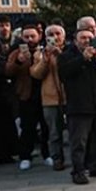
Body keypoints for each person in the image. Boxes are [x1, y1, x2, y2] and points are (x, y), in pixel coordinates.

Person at [58, 27, 96, 184]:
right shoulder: (66, 56)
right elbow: (65, 73)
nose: (86, 41)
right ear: (76, 40)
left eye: (89, 38)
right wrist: (82, 59)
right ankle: (78, 170)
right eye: (83, 38)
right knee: (79, 141)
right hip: (80, 106)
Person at [5, 26, 49, 171]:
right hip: (26, 95)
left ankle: (47, 154)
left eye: (32, 36)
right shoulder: (16, 52)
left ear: (39, 36)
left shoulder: (45, 50)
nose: (30, 39)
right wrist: (18, 61)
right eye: (26, 37)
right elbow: (7, 71)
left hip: (45, 93)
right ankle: (25, 156)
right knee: (27, 127)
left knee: (46, 126)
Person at [31, 24, 69, 171]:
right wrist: (45, 59)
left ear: (63, 36)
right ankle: (57, 158)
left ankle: (78, 158)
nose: (55, 37)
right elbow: (36, 74)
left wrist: (60, 55)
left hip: (70, 96)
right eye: (51, 34)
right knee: (54, 133)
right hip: (50, 98)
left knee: (75, 131)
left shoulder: (69, 51)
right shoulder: (40, 53)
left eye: (58, 33)